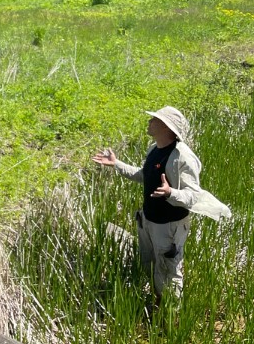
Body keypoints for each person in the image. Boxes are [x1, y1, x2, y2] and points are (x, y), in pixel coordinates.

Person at [91, 106, 229, 303]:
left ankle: (171, 316)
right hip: (148, 220)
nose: (150, 122)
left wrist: (170, 192)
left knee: (169, 272)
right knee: (150, 264)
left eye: (154, 119)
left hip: (169, 225)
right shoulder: (154, 149)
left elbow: (193, 196)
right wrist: (117, 164)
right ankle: (157, 302)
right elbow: (144, 175)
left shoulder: (182, 157)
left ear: (166, 127)